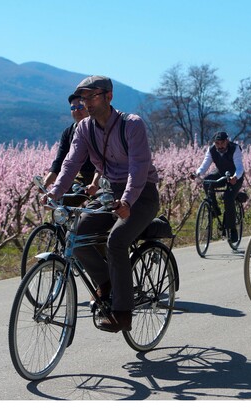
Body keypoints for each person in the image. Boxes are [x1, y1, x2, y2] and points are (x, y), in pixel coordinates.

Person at [44, 75, 160, 332]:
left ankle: (122, 313)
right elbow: (71, 163)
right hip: (109, 193)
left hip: (142, 194)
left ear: (109, 96)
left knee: (116, 240)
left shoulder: (131, 125)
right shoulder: (84, 129)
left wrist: (128, 200)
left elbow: (139, 168)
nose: (87, 103)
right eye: (84, 98)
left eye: (92, 97)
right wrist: (55, 192)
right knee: (78, 235)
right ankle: (106, 281)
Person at [190, 131, 245, 243]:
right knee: (206, 182)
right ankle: (215, 209)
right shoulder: (212, 150)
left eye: (222, 143)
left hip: (235, 176)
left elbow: (239, 167)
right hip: (221, 173)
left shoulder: (235, 149)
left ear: (227, 141)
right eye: (217, 143)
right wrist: (197, 173)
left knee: (228, 198)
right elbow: (205, 164)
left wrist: (235, 177)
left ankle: (232, 229)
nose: (220, 146)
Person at [41, 94, 95, 205]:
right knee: (59, 203)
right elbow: (60, 161)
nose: (76, 111)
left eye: (80, 107)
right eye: (73, 108)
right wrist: (45, 184)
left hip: (101, 175)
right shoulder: (68, 132)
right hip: (80, 177)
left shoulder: (98, 128)